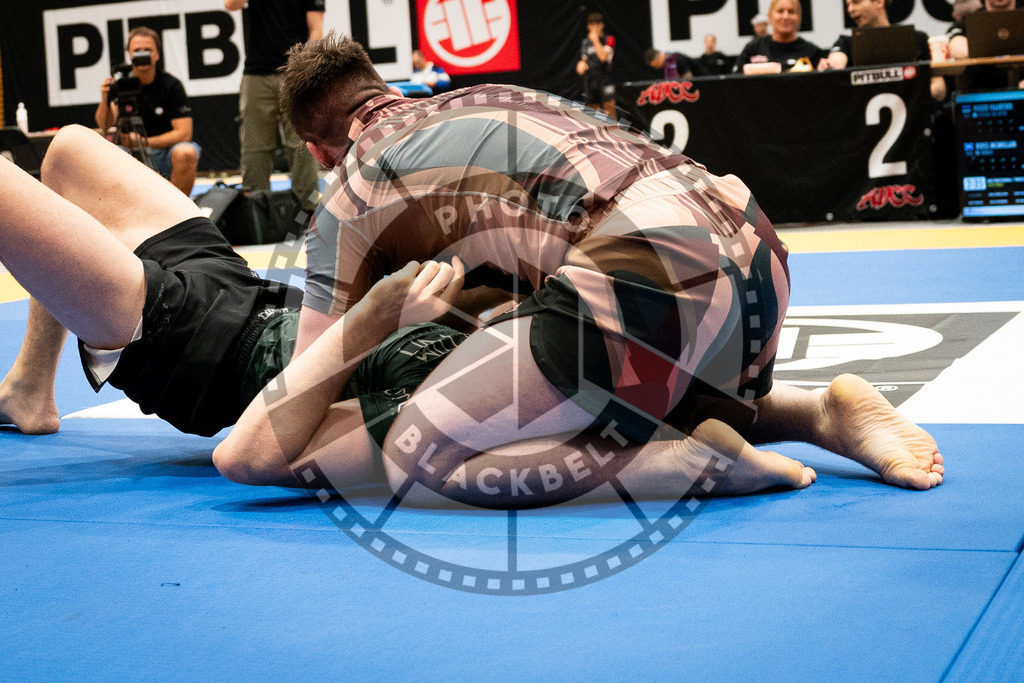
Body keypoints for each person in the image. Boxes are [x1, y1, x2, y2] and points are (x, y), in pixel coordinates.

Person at [211, 33, 945, 508]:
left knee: (418, 455)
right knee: (595, 373)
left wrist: (369, 322)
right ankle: (816, 412)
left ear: (315, 150)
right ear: (389, 89)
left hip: (642, 262)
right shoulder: (487, 100)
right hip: (752, 245)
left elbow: (292, 403)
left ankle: (684, 464)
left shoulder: (350, 189)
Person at [0, 127, 833, 502]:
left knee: (31, 180)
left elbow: (248, 450)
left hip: (183, 339)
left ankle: (31, 390)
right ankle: (28, 390)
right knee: (69, 149)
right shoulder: (493, 347)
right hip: (238, 288)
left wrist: (374, 315)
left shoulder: (414, 409)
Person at [223, 0, 324, 212]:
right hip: (256, 71)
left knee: (302, 144)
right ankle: (256, 209)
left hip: (294, 70)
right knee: (254, 146)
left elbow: (316, 31)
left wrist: (304, 68)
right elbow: (230, 4)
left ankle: (308, 209)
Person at [95, 27, 200, 196]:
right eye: (137, 51)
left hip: (165, 153)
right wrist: (105, 97)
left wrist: (143, 141)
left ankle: (178, 213)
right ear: (129, 55)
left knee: (186, 152)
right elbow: (105, 125)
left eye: (148, 50)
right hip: (130, 154)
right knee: (111, 157)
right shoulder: (121, 83)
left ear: (157, 54)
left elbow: (184, 134)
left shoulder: (171, 85)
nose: (142, 55)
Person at [827, 0, 947, 101]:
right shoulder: (846, 43)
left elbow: (940, 90)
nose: (850, 9)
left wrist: (903, 100)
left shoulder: (917, 38)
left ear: (879, 2)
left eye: (856, 2)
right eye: (848, 5)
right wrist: (832, 64)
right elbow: (836, 60)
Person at [735, 0, 828, 72]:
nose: (785, 16)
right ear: (770, 16)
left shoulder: (812, 53)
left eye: (791, 12)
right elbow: (735, 83)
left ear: (799, 17)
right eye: (780, 11)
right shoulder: (753, 49)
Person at [576, 12, 616, 118]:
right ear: (588, 26)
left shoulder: (609, 39)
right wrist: (581, 64)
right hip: (591, 81)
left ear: (602, 25)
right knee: (593, 113)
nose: (595, 28)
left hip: (605, 80)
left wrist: (595, 40)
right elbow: (584, 59)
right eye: (592, 25)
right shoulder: (585, 42)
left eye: (597, 25)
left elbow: (603, 57)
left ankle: (615, 134)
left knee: (610, 110)